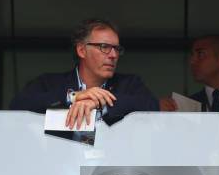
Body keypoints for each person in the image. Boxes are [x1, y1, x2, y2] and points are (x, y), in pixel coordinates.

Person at [10, 18, 159, 130]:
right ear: (81, 50)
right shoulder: (49, 82)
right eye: (104, 47)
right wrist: (73, 97)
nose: (113, 55)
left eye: (116, 48)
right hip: (62, 166)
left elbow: (152, 106)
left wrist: (101, 103)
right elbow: (17, 106)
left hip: (111, 168)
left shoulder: (130, 84)